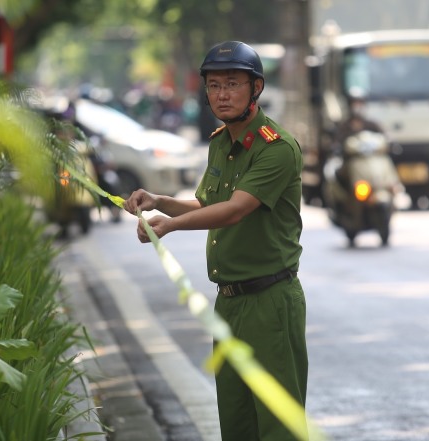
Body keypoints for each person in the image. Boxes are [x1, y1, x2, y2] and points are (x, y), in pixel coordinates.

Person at [123, 41, 308, 441]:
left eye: (232, 84)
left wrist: (169, 227)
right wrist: (160, 202)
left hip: (269, 302)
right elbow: (207, 203)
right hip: (229, 302)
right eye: (214, 85)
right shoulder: (221, 142)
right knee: (237, 424)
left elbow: (235, 210)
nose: (222, 94)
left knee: (278, 428)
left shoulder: (276, 148)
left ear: (255, 89)